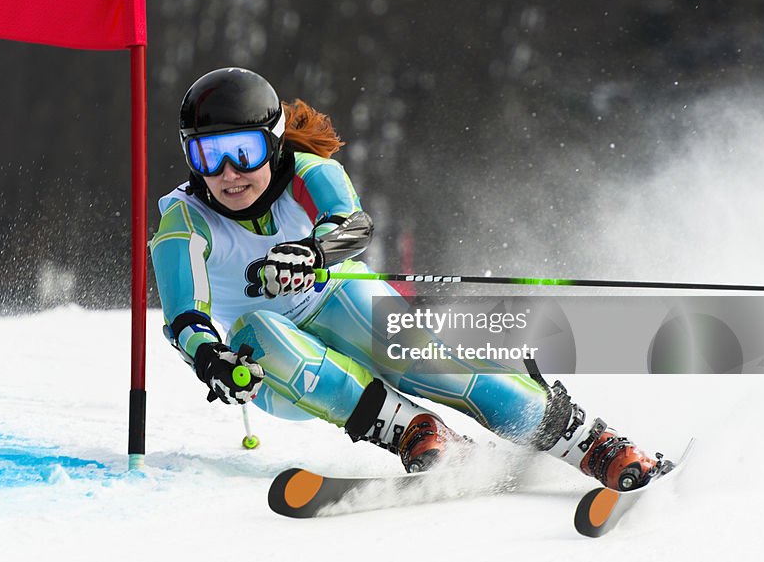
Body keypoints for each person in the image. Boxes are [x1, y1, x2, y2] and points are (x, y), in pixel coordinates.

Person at [150, 67, 662, 489]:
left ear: (274, 143)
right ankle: (415, 432)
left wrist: (312, 253)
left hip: (335, 296)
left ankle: (590, 442)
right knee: (259, 330)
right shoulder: (184, 219)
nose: (228, 173)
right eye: (207, 155)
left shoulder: (307, 173)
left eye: (243, 151)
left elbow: (352, 225)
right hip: (273, 367)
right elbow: (184, 315)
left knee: (429, 364)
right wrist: (210, 358)